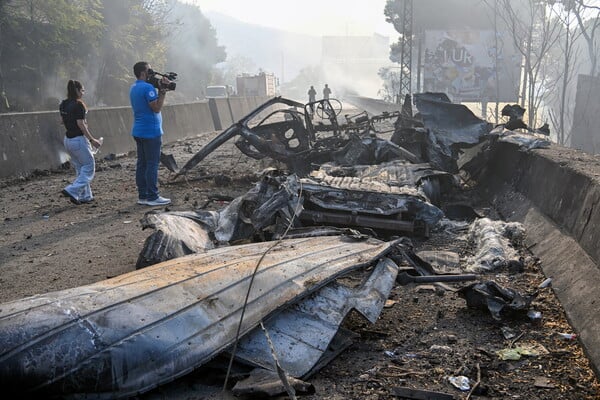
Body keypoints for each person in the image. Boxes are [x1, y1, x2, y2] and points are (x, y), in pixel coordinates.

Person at [130, 61, 172, 206]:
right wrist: (162, 92)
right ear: (143, 72)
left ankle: (143, 195)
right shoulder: (148, 88)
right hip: (151, 131)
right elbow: (156, 108)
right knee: (152, 164)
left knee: (141, 164)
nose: (152, 72)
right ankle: (153, 196)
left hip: (138, 130)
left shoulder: (133, 87)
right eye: (149, 70)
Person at [59, 80, 101, 205]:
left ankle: (85, 195)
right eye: (82, 90)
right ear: (77, 90)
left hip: (68, 140)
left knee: (80, 168)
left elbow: (62, 121)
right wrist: (92, 140)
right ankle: (72, 190)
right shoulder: (79, 105)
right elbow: (81, 124)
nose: (83, 93)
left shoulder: (63, 104)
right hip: (78, 140)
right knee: (89, 167)